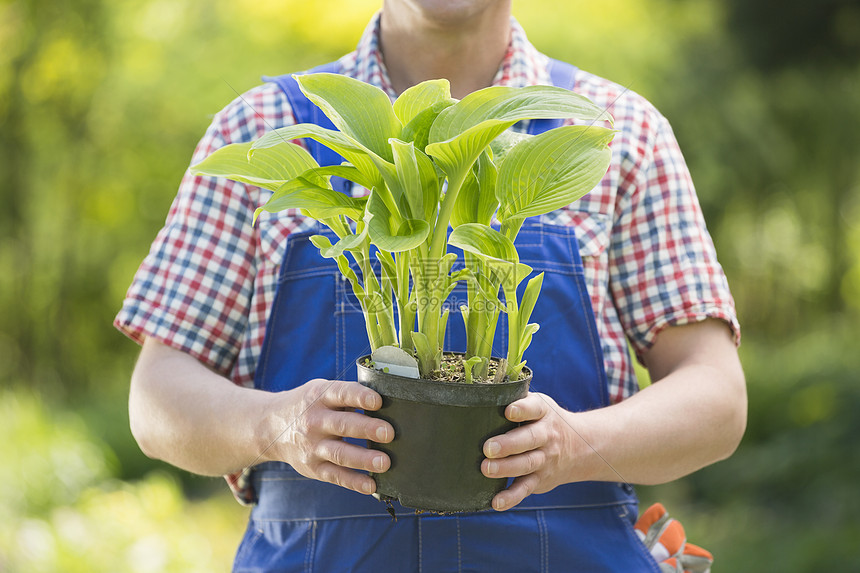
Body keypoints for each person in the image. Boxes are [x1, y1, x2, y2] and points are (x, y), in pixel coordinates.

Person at [116, 1, 746, 570]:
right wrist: (276, 426)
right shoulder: (261, 130)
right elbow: (158, 394)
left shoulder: (616, 134)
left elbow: (716, 398)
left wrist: (577, 445)